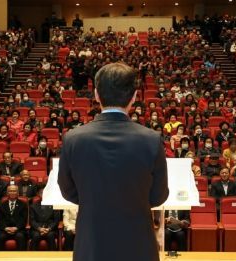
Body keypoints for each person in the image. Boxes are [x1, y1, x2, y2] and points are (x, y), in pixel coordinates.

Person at [58, 63, 169, 261]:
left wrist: (96, 202)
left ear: (96, 95)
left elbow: (68, 190)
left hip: (92, 243)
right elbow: (158, 196)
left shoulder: (73, 138)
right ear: (134, 96)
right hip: (138, 245)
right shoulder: (151, 139)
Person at [0, 185, 28, 251]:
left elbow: (23, 219)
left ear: (18, 193)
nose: (12, 193)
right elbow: (0, 219)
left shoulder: (23, 204)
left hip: (18, 229)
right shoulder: (2, 204)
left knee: (21, 237)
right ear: (7, 193)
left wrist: (16, 228)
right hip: (5, 229)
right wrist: (5, 228)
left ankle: (20, 258)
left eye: (14, 191)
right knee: (0, 237)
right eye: (10, 191)